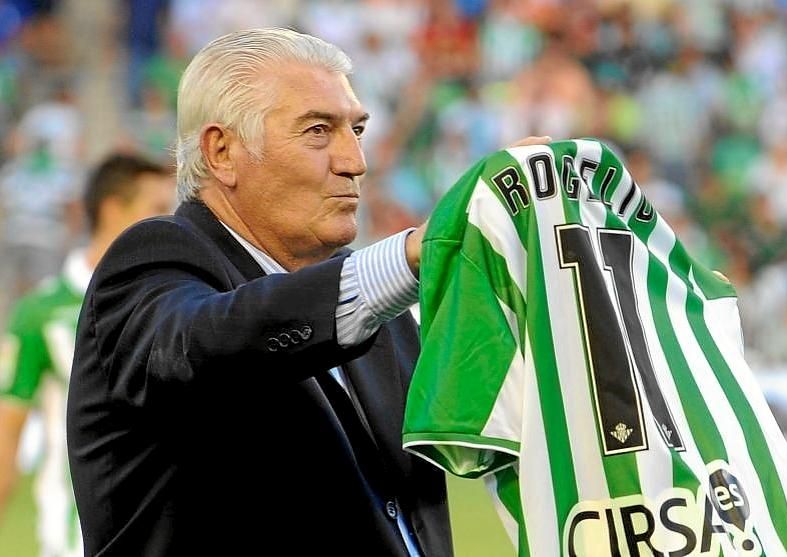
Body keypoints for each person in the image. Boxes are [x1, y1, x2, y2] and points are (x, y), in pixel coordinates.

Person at [67, 27, 546, 556]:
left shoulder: (374, 303)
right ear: (222, 151)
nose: (355, 161)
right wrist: (419, 252)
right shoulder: (152, 257)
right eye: (319, 131)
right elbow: (203, 345)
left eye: (357, 130)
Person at [0, 153, 174, 557]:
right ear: (113, 210)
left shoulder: (173, 304)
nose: (171, 223)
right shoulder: (42, 312)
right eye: (157, 208)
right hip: (72, 542)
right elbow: (7, 434)